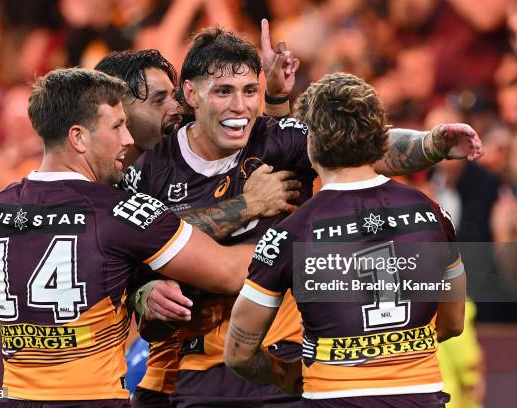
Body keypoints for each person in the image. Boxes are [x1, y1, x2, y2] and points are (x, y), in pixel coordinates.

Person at [125, 22, 481, 408]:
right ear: (191, 93)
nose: (240, 107)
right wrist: (146, 293)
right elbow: (133, 254)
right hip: (196, 369)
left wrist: (431, 144)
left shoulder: (277, 138)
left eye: (249, 91)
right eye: (223, 92)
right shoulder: (147, 171)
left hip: (284, 362)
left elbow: (360, 145)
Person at [0, 68, 254, 406]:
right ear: (78, 137)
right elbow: (229, 272)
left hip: (15, 398)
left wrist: (141, 292)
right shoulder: (117, 211)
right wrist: (301, 241)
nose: (128, 139)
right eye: (117, 127)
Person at [224, 72, 467, 407]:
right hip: (420, 397)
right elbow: (453, 323)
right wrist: (396, 350)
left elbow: (238, 353)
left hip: (333, 398)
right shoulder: (432, 212)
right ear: (381, 140)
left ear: (310, 144)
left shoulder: (291, 232)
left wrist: (283, 374)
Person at [94, 48, 302, 408]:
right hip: (159, 371)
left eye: (174, 95)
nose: (175, 108)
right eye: (160, 99)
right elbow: (146, 247)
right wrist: (247, 207)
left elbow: (274, 145)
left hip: (194, 369)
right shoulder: (99, 192)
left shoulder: (176, 156)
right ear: (118, 110)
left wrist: (278, 101)